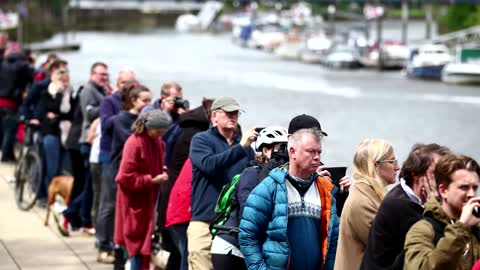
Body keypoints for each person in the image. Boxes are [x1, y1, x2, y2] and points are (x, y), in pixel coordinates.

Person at [239, 128, 338, 270]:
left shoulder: (325, 190)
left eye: (319, 152)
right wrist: (259, 268)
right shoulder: (269, 187)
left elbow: (332, 240)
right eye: (310, 151)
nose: (317, 157)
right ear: (292, 152)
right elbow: (247, 235)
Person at [188, 96, 256, 270]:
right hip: (204, 220)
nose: (233, 116)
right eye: (228, 113)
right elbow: (209, 165)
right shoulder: (200, 139)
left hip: (230, 227)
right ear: (214, 116)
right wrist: (241, 147)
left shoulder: (245, 146)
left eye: (235, 113)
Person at [360, 143, 450, 270]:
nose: (443, 180)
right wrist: (435, 203)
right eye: (436, 173)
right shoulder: (400, 204)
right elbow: (439, 242)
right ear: (416, 175)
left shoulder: (408, 198)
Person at [212, 126, 289, 270]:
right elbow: (248, 212)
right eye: (282, 148)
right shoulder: (251, 173)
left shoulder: (282, 178)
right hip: (230, 246)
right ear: (265, 151)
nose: (285, 154)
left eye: (289, 149)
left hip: (252, 250)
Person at [114, 110, 172, 270]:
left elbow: (160, 165)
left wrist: (164, 172)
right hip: (134, 202)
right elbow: (124, 177)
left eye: (163, 131)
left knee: (145, 244)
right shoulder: (134, 143)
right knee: (135, 245)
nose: (161, 134)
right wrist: (151, 180)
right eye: (159, 131)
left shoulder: (159, 143)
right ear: (148, 127)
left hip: (150, 202)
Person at [404, 153, 480, 270]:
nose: (471, 194)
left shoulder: (476, 226)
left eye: (474, 188)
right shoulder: (423, 230)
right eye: (464, 187)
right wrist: (461, 228)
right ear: (444, 190)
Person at [162, 98, 214, 270]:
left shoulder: (185, 127)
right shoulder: (199, 139)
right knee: (187, 258)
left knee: (179, 257)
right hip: (185, 208)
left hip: (175, 199)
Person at [334, 139, 399, 270]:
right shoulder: (362, 202)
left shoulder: (370, 195)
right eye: (392, 162)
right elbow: (386, 249)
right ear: (375, 165)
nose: (397, 167)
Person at [95, 69, 136, 264]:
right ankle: (103, 244)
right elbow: (106, 124)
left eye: (131, 84)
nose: (127, 88)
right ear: (117, 84)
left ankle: (119, 243)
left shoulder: (136, 103)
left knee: (124, 204)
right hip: (110, 155)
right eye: (124, 84)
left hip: (129, 159)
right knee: (108, 203)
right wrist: (126, 114)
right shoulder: (109, 101)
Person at [34, 68, 73, 205]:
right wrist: (59, 95)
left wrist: (57, 115)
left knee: (61, 169)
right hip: (51, 134)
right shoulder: (48, 94)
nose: (64, 84)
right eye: (61, 81)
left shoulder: (70, 95)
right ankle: (45, 197)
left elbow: (69, 114)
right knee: (51, 168)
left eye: (66, 81)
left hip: (65, 135)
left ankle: (56, 196)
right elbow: (50, 110)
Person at [0, 38, 33, 162]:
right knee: (10, 130)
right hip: (11, 102)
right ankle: (5, 156)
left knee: (3, 129)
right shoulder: (23, 65)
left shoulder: (3, 62)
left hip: (1, 100)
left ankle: (7, 153)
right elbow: (32, 80)